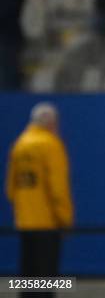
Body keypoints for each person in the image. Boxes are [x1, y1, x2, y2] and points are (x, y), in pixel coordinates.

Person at [5, 103, 74, 298]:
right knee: (45, 281)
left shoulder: (20, 144)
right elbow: (58, 188)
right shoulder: (51, 144)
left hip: (24, 221)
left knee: (28, 277)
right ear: (52, 123)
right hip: (47, 223)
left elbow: (10, 189)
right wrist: (65, 219)